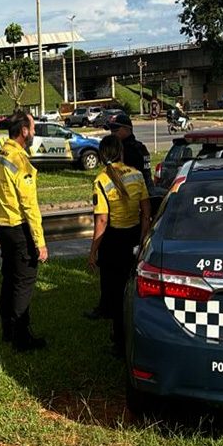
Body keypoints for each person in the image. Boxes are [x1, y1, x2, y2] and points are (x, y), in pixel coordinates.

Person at [0, 109, 49, 352]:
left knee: (9, 278)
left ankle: (7, 331)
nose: (34, 132)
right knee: (24, 282)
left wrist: (3, 208)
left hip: (2, 228)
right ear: (23, 131)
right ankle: (22, 339)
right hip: (20, 229)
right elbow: (30, 206)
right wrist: (40, 242)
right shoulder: (20, 162)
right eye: (32, 128)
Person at [88, 135, 151, 358]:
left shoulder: (101, 180)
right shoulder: (136, 174)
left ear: (102, 155)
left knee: (115, 293)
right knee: (131, 289)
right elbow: (146, 213)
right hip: (133, 237)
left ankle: (119, 342)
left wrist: (93, 251)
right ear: (121, 152)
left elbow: (102, 220)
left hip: (113, 241)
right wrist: (142, 240)